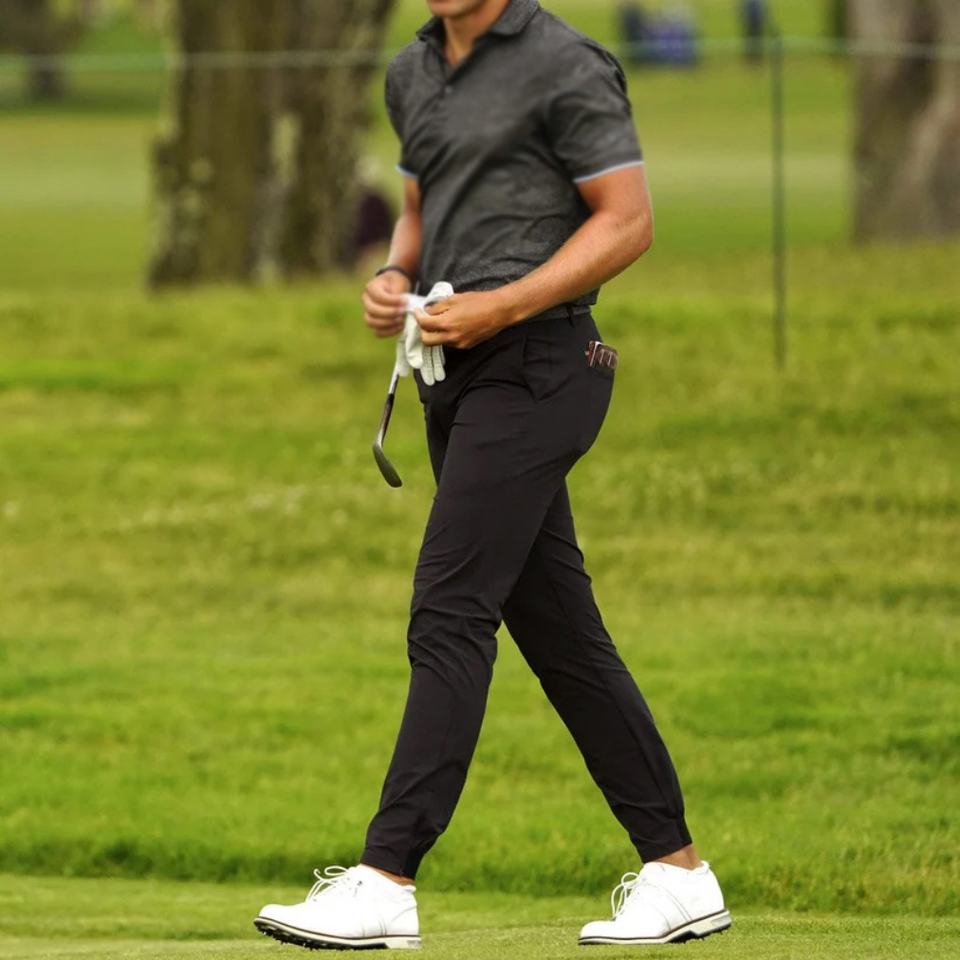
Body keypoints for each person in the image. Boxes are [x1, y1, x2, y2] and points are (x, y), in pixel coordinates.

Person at [254, 0, 731, 950]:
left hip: (545, 367)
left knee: (450, 608)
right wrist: (396, 275)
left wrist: (503, 304)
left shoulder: (567, 64)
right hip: (455, 376)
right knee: (562, 636)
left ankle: (387, 879)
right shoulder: (411, 71)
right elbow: (422, 210)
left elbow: (627, 222)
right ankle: (679, 875)